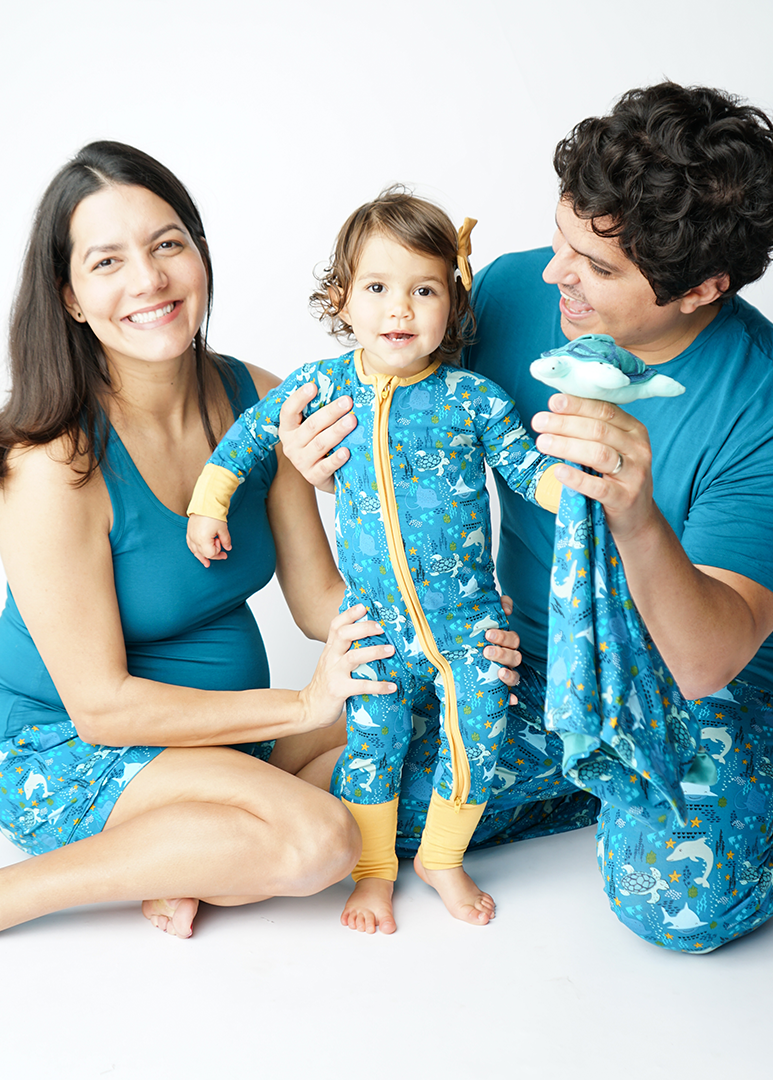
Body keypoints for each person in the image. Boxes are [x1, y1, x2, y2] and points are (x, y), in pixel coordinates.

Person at [0, 141, 525, 947]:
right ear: (69, 296)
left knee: (417, 704)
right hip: (67, 745)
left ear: (199, 254)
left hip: (223, 733)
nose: (149, 280)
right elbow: (101, 710)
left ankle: (184, 858)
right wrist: (308, 704)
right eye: (108, 261)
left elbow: (321, 603)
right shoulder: (49, 466)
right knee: (320, 842)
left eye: (167, 244)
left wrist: (451, 624)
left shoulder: (265, 398)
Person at [275, 83, 773, 952]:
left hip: (704, 688)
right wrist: (318, 465)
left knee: (679, 910)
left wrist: (637, 513)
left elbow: (705, 658)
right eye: (561, 237)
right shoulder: (505, 294)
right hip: (529, 658)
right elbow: (411, 418)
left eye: (598, 267)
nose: (554, 275)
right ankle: (589, 779)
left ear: (702, 289)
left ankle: (757, 815)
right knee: (363, 822)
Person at [186, 190, 563, 933]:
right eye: (378, 288)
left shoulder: (474, 399)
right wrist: (210, 503)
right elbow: (248, 438)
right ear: (342, 299)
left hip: (469, 624)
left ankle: (444, 858)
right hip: (376, 625)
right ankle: (374, 870)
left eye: (424, 290)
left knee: (480, 731)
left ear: (452, 305)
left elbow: (526, 471)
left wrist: (579, 491)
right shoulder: (322, 386)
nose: (401, 309)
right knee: (375, 742)